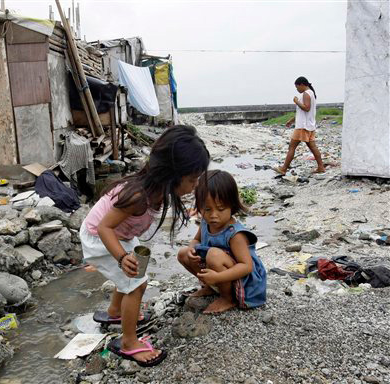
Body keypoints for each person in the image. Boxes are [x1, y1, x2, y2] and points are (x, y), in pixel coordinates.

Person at [80, 125, 210, 366]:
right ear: (171, 174)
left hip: (120, 234)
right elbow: (104, 228)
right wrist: (120, 257)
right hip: (100, 237)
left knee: (134, 273)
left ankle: (115, 312)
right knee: (136, 284)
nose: (195, 185)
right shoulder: (138, 196)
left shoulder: (159, 190)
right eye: (192, 179)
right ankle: (129, 342)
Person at [177, 170, 267, 313]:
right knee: (183, 253)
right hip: (221, 272)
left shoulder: (235, 234)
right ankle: (211, 287)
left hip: (244, 282)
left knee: (213, 255)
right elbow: (196, 240)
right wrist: (191, 249)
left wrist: (218, 276)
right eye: (207, 209)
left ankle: (228, 298)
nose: (213, 215)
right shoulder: (205, 224)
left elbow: (246, 266)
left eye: (220, 209)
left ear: (232, 205)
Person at [274, 76, 325, 175]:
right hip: (309, 125)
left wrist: (296, 101)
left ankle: (283, 168)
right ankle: (321, 167)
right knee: (313, 147)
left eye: (297, 87)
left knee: (292, 147)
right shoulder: (311, 94)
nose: (297, 89)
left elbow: (306, 108)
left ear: (302, 84)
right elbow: (304, 112)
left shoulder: (306, 94)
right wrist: (292, 120)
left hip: (303, 126)